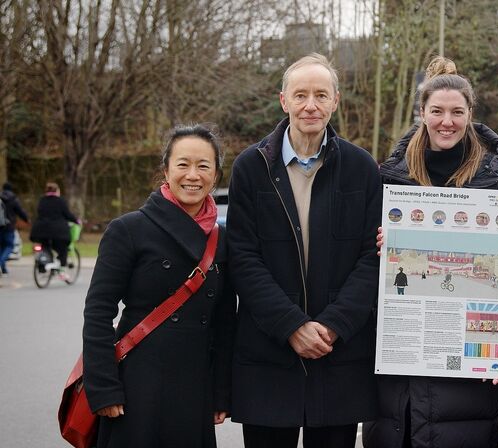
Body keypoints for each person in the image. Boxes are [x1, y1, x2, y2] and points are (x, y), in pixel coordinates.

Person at [226, 53, 381, 448]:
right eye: (300, 95)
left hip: (339, 356)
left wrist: (332, 326)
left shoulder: (362, 168)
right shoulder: (251, 166)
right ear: (284, 101)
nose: (310, 105)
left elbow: (373, 258)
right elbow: (243, 258)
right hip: (269, 354)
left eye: (320, 95)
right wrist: (291, 325)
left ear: (335, 101)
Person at [363, 56, 498, 448]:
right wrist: (378, 245)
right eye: (437, 111)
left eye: (456, 112)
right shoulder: (387, 178)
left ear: (470, 114)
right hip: (401, 352)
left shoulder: (494, 181)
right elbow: (359, 262)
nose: (447, 121)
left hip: (465, 368)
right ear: (422, 113)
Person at [82, 124, 235, 447]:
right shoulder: (128, 229)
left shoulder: (221, 241)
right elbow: (98, 312)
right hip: (137, 384)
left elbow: (224, 322)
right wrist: (104, 387)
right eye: (183, 164)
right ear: (165, 170)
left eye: (203, 166)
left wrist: (220, 392)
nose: (192, 175)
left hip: (194, 387)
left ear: (216, 175)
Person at [29, 182, 79, 280]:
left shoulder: (42, 200)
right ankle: (62, 271)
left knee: (45, 246)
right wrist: (77, 220)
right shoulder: (60, 201)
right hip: (58, 231)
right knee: (63, 248)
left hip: (40, 231)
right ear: (57, 191)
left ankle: (43, 264)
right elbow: (67, 214)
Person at [0, 182, 29, 275]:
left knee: (1, 247)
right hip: (9, 226)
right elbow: (20, 211)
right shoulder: (13, 199)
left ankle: (3, 269)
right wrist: (26, 219)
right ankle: (1, 263)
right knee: (9, 246)